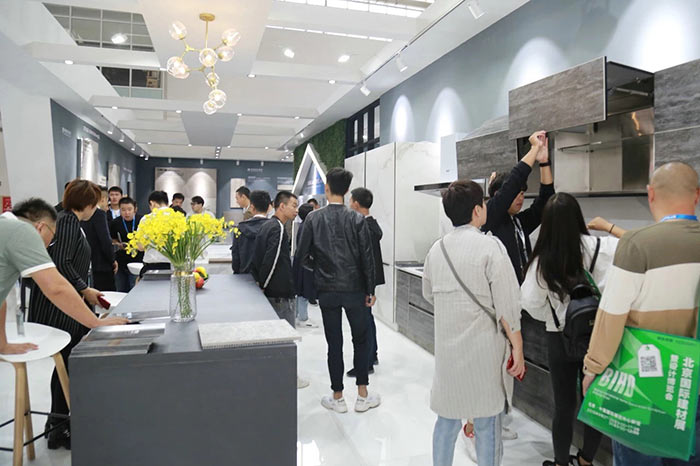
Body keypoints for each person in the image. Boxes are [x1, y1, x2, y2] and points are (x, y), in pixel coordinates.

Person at [582, 162, 700, 466]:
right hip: (692, 382)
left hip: (645, 383)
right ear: (697, 195)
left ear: (651, 194)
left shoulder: (637, 245)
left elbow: (611, 315)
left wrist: (592, 368)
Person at [423, 180, 524, 466]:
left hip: (448, 352)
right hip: (484, 352)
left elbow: (428, 294)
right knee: (487, 422)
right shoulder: (491, 248)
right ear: (478, 210)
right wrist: (518, 348)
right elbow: (508, 306)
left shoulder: (436, 250)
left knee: (447, 420)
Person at [521, 193, 624, 466]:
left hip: (560, 338)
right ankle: (586, 460)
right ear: (577, 217)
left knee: (564, 406)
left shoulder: (543, 259)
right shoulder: (602, 246)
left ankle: (560, 462)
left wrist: (553, 316)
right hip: (597, 336)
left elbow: (529, 302)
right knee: (594, 401)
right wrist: (609, 227)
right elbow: (635, 246)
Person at [27, 181, 126, 449]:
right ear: (88, 203)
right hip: (60, 309)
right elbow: (61, 263)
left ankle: (57, 425)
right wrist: (84, 289)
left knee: (65, 366)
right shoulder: (69, 221)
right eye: (97, 202)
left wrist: (85, 289)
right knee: (67, 365)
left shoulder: (67, 220)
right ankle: (59, 429)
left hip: (63, 304)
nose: (100, 207)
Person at [295, 167, 379, 414]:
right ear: (347, 190)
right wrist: (370, 289)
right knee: (360, 340)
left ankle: (338, 396)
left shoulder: (313, 219)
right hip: (355, 289)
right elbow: (367, 259)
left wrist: (319, 269)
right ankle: (362, 395)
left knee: (334, 342)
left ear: (327, 188)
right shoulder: (357, 219)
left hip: (327, 290)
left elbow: (301, 256)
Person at [1, 198, 125, 352]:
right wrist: (95, 322)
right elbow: (56, 288)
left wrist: (2, 345)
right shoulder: (21, 231)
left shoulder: (7, 227)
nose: (49, 245)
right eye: (53, 237)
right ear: (41, 227)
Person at [251, 191, 309, 389]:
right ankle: (288, 377)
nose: (296, 210)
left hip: (273, 291)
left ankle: (277, 375)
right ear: (281, 206)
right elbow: (272, 260)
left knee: (275, 338)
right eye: (293, 205)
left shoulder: (268, 226)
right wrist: (264, 285)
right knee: (286, 339)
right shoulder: (278, 228)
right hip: (280, 293)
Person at [347, 187, 384, 377]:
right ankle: (372, 355)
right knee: (367, 319)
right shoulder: (371, 224)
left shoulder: (364, 227)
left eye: (350, 200)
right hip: (368, 281)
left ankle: (366, 363)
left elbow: (365, 259)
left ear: (356, 203)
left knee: (363, 323)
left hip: (363, 281)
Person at [81, 187, 117, 291]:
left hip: (86, 262)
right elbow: (105, 241)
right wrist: (112, 259)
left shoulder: (83, 213)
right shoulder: (99, 214)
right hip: (102, 264)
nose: (107, 205)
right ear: (103, 199)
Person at [231, 190, 271, 274]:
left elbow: (235, 255)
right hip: (266, 277)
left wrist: (237, 272)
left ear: (252, 207)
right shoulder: (274, 228)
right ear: (268, 208)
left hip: (244, 275)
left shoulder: (240, 228)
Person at [110, 197, 144, 292]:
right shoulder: (115, 222)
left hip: (138, 260)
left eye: (129, 209)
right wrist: (118, 244)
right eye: (123, 210)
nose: (127, 213)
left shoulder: (141, 221)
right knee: (120, 289)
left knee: (135, 289)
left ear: (135, 209)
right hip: (121, 260)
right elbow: (112, 238)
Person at [292, 203, 318, 329]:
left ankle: (298, 315)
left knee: (300, 290)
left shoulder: (303, 226)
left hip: (300, 262)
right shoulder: (307, 227)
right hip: (305, 263)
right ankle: (303, 317)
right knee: (304, 290)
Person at [139, 191, 171, 276]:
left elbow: (140, 246)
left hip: (152, 267)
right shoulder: (178, 218)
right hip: (173, 267)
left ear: (152, 203)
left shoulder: (146, 219)